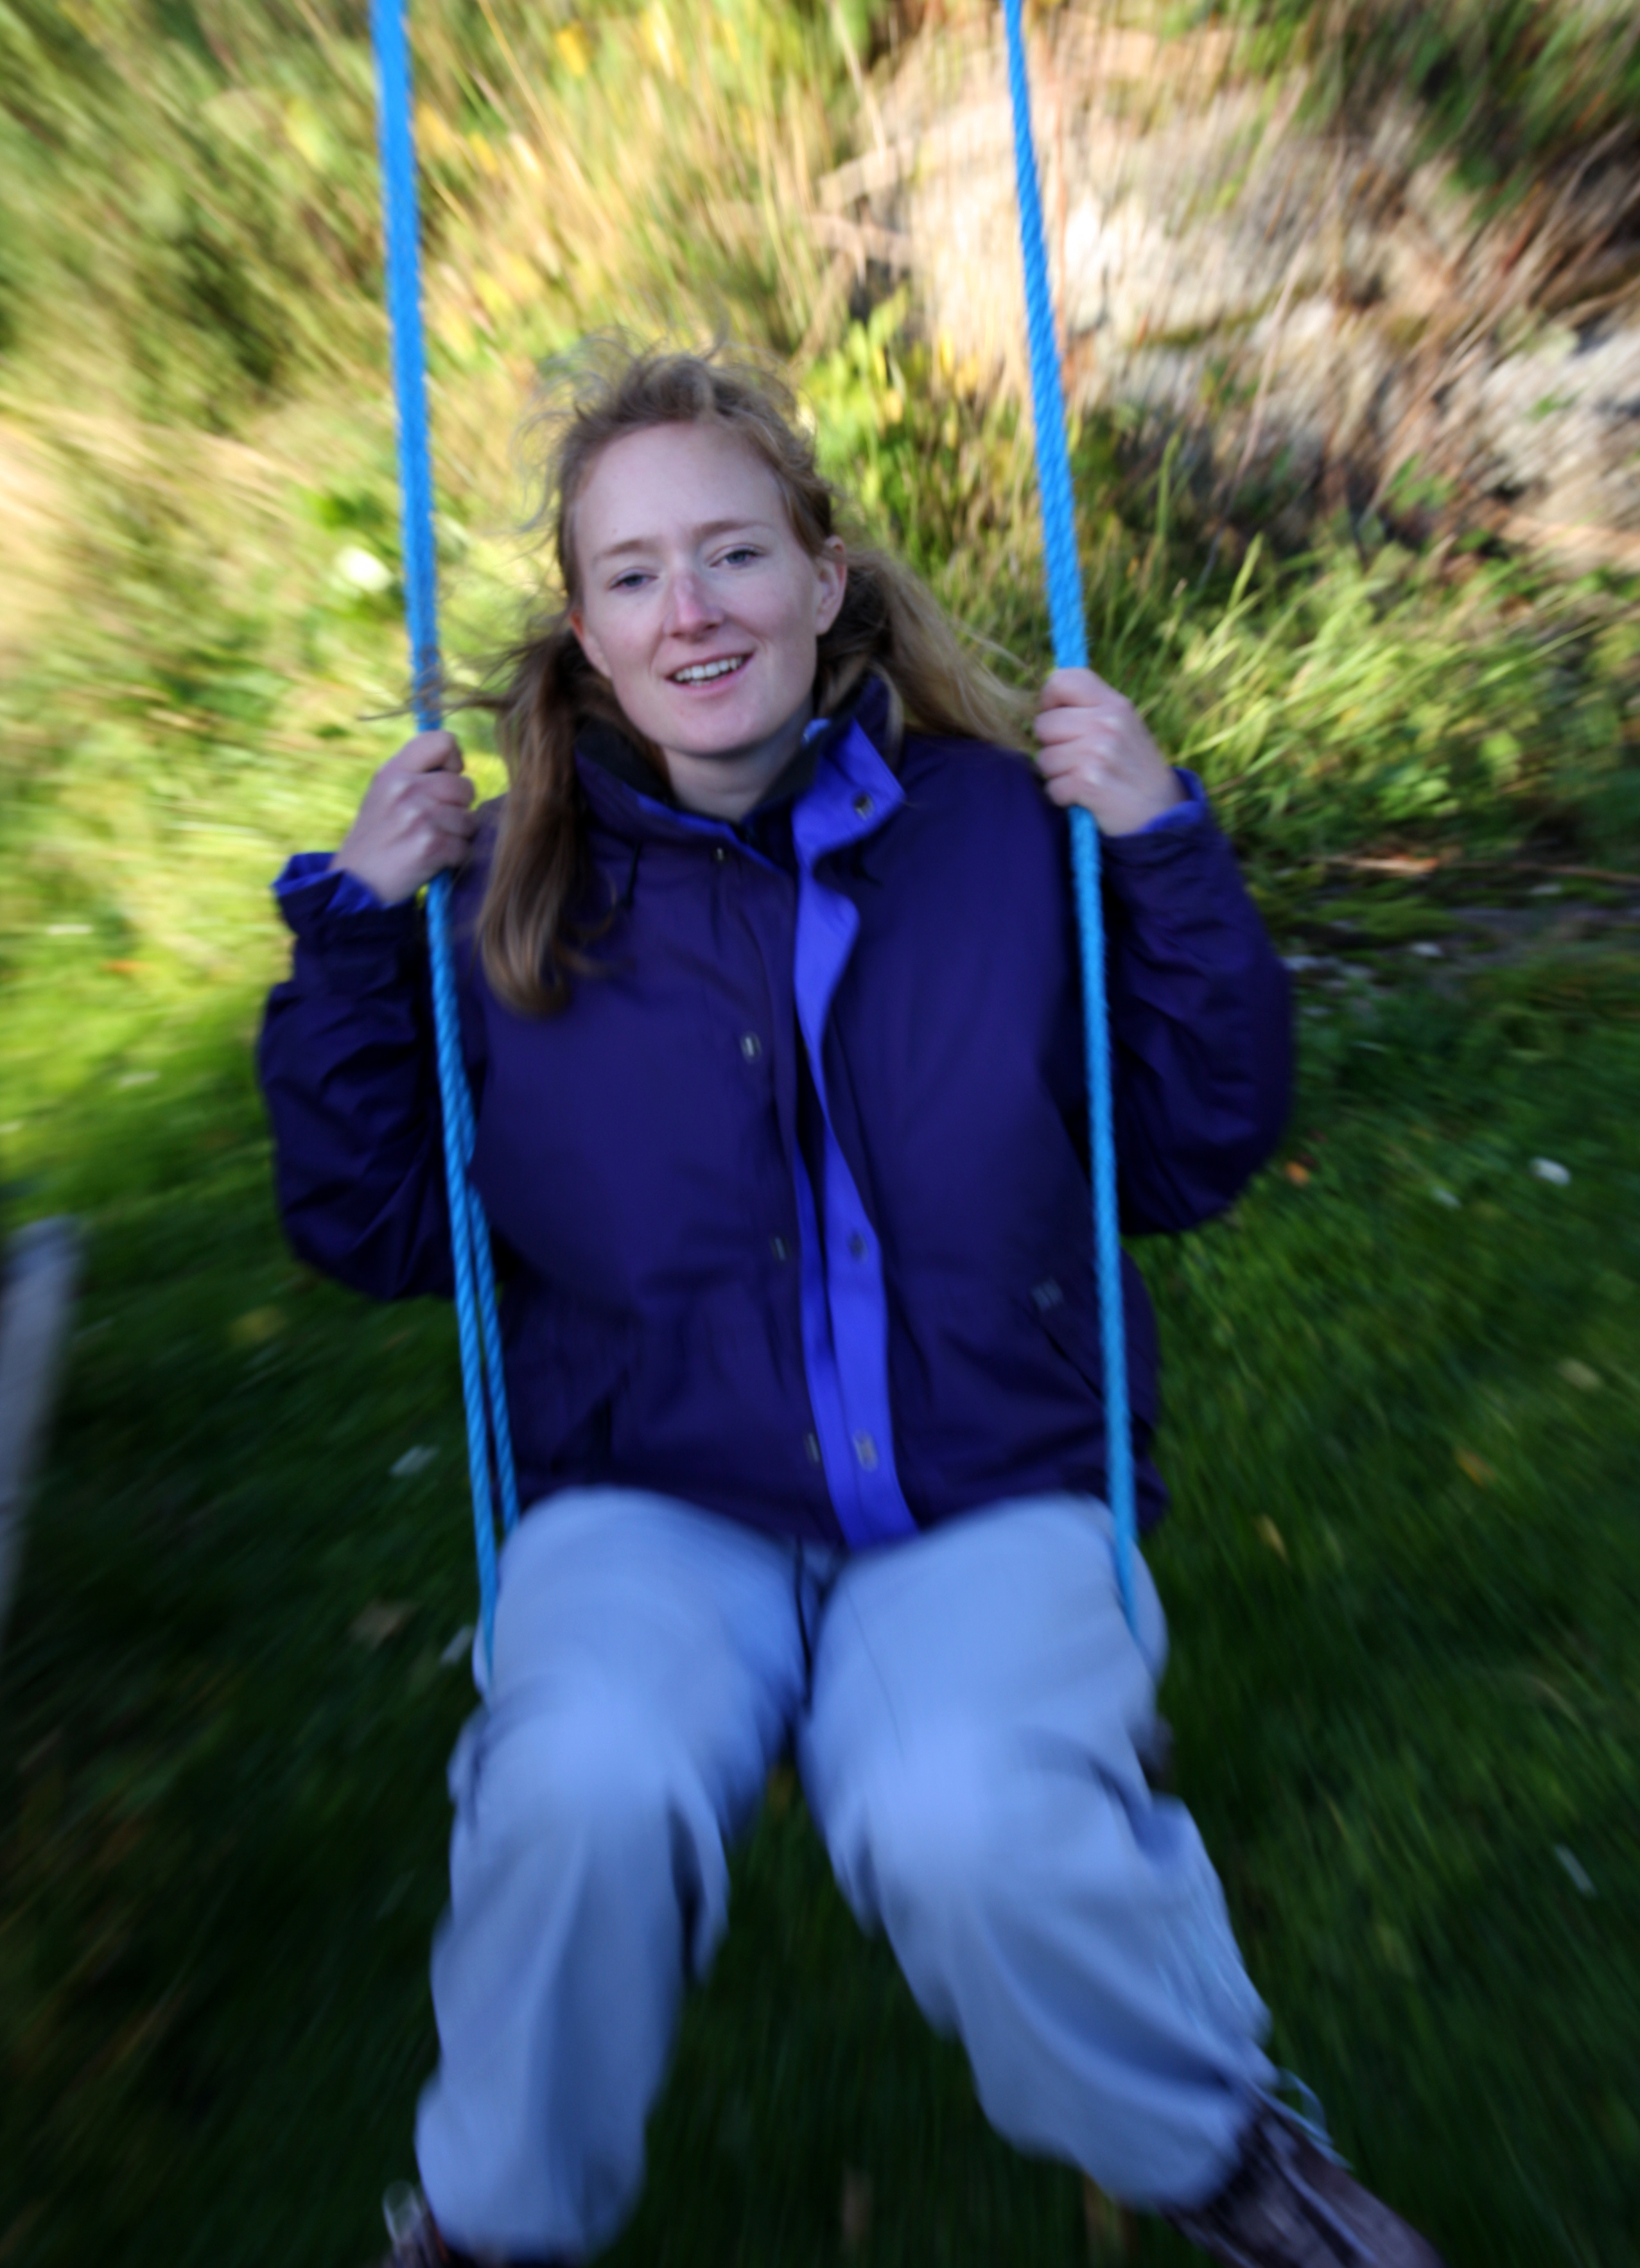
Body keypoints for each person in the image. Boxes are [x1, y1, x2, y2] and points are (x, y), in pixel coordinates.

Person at [260, 344, 1445, 2268]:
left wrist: (1160, 844)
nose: (692, 609)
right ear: (586, 631)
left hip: (980, 1472)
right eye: (635, 573)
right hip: (654, 1490)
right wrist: (352, 945)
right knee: (581, 1786)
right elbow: (379, 1226)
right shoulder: (507, 895)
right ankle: (486, 2229)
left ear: (823, 577)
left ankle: (1224, 2162)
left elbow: (1191, 1145)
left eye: (734, 553)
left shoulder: (1004, 834)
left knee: (970, 1816)